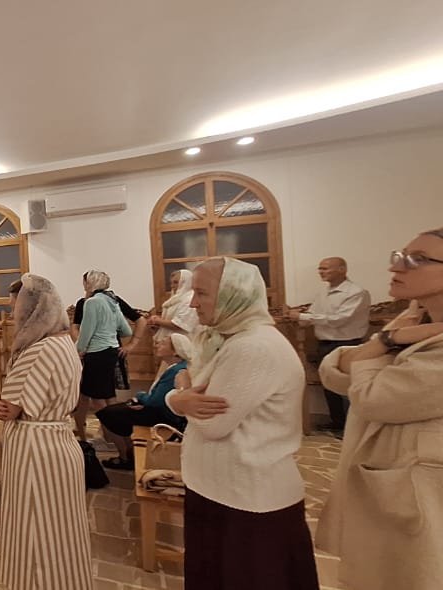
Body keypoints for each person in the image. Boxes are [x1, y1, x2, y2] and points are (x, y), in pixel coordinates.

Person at [166, 257, 319, 590]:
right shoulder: (233, 339)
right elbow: (197, 394)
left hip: (247, 499)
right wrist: (184, 393)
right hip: (224, 491)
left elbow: (211, 423)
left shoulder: (252, 347)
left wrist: (177, 397)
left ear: (233, 294)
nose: (192, 303)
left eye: (202, 294)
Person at [315, 228, 443, 590]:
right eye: (399, 256)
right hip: (391, 476)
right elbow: (336, 373)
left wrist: (383, 342)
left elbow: (373, 397)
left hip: (421, 487)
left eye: (418, 260)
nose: (396, 267)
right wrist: (389, 340)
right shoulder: (412, 324)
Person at [0, 275, 92, 589]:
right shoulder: (64, 342)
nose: (13, 316)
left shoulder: (40, 349)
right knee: (60, 532)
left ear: (34, 311)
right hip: (58, 442)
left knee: (32, 532)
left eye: (17, 309)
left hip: (35, 452)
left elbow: (9, 408)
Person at [288, 257, 371, 437]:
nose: (321, 272)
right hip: (325, 344)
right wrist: (297, 318)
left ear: (342, 269)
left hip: (348, 344)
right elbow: (314, 314)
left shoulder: (356, 292)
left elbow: (339, 320)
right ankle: (338, 423)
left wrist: (302, 317)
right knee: (329, 385)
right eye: (320, 269)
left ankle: (353, 428)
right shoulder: (323, 292)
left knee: (346, 387)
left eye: (325, 268)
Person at [95, 334, 193, 470]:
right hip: (159, 410)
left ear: (175, 351)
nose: (157, 345)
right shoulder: (176, 366)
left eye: (163, 343)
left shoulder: (177, 370)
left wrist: (140, 396)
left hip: (164, 416)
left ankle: (125, 458)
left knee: (106, 414)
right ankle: (129, 453)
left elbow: (156, 401)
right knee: (113, 412)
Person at [73, 270, 134, 439]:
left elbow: (86, 333)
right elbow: (126, 331)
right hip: (111, 352)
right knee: (105, 396)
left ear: (91, 283)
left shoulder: (92, 302)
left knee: (97, 400)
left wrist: (78, 351)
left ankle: (113, 438)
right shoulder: (112, 301)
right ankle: (115, 438)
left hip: (96, 354)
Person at [150, 269, 199, 340]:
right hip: (168, 340)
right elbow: (171, 318)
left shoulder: (190, 299)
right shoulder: (176, 298)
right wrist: (157, 320)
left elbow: (180, 324)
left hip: (183, 341)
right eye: (171, 283)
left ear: (186, 282)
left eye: (176, 282)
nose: (172, 286)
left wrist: (157, 321)